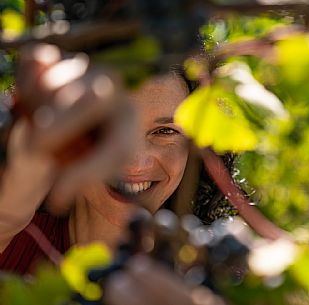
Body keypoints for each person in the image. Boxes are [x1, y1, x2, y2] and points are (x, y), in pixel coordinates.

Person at [0, 43, 201, 274]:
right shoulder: (15, 239)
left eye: (165, 131)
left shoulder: (209, 277)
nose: (135, 163)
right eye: (106, 127)